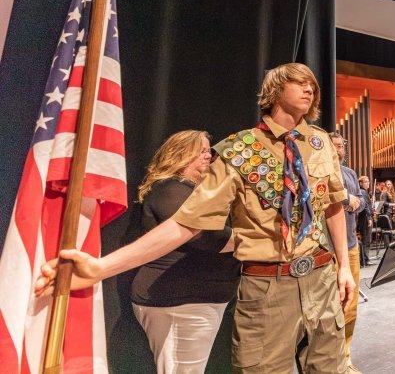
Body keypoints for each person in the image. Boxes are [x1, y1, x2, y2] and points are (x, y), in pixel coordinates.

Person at [36, 63, 354, 373]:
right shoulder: (238, 151)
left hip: (321, 277)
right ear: (274, 91)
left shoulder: (320, 142)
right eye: (298, 81)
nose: (309, 87)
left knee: (331, 367)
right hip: (267, 286)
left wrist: (343, 267)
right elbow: (184, 225)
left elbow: (334, 205)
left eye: (311, 82)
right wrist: (100, 268)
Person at [130, 130, 240, 374]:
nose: (209, 156)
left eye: (209, 151)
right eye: (201, 151)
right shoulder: (170, 188)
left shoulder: (190, 191)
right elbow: (204, 235)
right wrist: (255, 239)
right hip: (179, 303)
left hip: (191, 301)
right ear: (179, 154)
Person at [330, 132, 366, 374]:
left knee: (350, 306)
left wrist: (356, 202)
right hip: (327, 250)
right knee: (329, 308)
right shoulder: (321, 171)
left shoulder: (351, 173)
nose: (337, 150)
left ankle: (345, 356)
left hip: (351, 246)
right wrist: (346, 200)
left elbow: (363, 199)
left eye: (340, 146)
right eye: (333, 146)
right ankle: (330, 360)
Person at [356, 175, 373, 266]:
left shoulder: (363, 192)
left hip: (364, 218)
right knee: (366, 239)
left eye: (368, 181)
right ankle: (365, 260)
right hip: (365, 218)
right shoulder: (362, 192)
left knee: (366, 239)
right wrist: (369, 218)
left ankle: (365, 259)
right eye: (366, 182)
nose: (368, 183)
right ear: (360, 183)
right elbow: (365, 206)